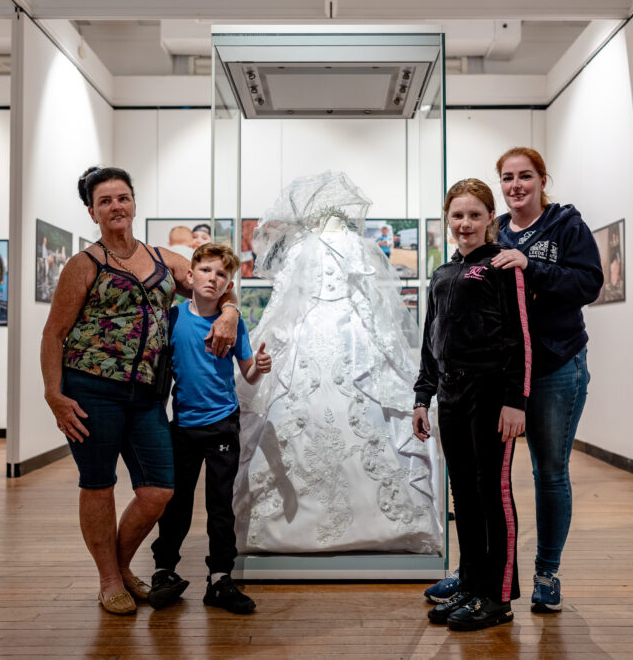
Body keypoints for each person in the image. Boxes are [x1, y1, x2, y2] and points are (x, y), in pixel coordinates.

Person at [40, 165, 241, 615]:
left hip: (149, 395)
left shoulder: (164, 259)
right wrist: (54, 395)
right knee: (99, 485)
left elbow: (214, 285)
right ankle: (111, 579)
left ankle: (123, 565)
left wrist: (230, 313)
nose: (116, 206)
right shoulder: (83, 265)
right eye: (105, 201)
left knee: (158, 491)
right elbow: (53, 334)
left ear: (134, 203)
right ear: (92, 212)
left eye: (122, 198)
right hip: (91, 391)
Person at [428, 148, 603, 614]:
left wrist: (531, 266)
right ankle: (475, 575)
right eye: (508, 177)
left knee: (546, 472)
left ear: (543, 180)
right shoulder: (496, 230)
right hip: (491, 378)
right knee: (472, 485)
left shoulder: (565, 227)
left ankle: (545, 573)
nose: (516, 184)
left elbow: (589, 284)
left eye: (526, 176)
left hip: (553, 364)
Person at [234, 171, 443, 556]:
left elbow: (284, 304)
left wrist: (272, 340)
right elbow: (371, 304)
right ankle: (385, 526)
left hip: (312, 333)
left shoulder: (302, 247)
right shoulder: (356, 245)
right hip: (349, 333)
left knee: (303, 415)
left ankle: (285, 531)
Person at [413, 178, 531, 632]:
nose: (465, 224)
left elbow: (519, 339)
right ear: (448, 221)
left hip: (491, 398)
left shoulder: (504, 268)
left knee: (493, 493)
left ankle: (497, 598)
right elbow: (430, 342)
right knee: (463, 493)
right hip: (451, 399)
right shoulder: (442, 274)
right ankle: (472, 582)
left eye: (475, 215)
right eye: (457, 216)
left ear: (490, 220)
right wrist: (423, 396)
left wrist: (515, 401)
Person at [148, 244, 272, 615]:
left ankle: (219, 578)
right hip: (182, 427)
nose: (211, 278)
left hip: (222, 427)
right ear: (191, 275)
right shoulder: (173, 319)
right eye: (205, 271)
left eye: (220, 275)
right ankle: (164, 570)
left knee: (220, 508)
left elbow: (247, 374)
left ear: (228, 285)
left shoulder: (237, 324)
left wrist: (260, 366)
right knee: (176, 505)